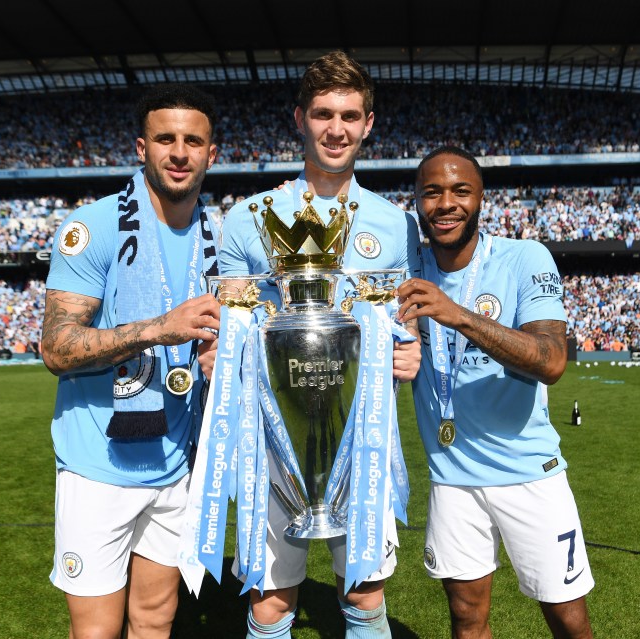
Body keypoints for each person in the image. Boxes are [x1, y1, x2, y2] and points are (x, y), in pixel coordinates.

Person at [216, 50, 422, 639]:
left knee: (363, 591)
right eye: (324, 114)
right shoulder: (249, 219)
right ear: (299, 118)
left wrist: (411, 351)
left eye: (350, 116)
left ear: (369, 124)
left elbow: (406, 326)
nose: (337, 129)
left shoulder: (393, 223)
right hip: (273, 440)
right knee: (271, 604)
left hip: (363, 433)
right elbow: (226, 333)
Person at [40, 84, 222, 639]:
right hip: (100, 466)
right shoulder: (92, 226)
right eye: (165, 138)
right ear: (141, 148)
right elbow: (56, 347)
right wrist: (159, 329)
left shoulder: (222, 235)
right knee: (96, 633)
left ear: (212, 154)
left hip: (177, 465)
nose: (179, 152)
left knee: (154, 624)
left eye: (193, 140)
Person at [395, 146, 595, 639]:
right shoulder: (405, 268)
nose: (446, 203)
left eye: (461, 190)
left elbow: (552, 361)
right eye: (432, 192)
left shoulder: (524, 257)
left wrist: (458, 314)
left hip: (530, 473)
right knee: (466, 619)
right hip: (451, 477)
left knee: (569, 620)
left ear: (482, 198)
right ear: (417, 202)